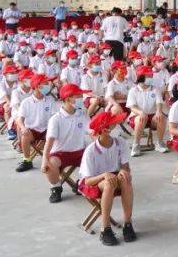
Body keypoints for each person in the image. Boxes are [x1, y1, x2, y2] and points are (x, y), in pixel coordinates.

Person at [78, 111, 136, 246]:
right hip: (94, 182)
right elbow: (88, 180)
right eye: (114, 124)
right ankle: (105, 228)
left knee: (126, 179)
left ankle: (128, 223)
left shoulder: (121, 143)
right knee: (109, 184)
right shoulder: (91, 150)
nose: (117, 126)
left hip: (113, 176)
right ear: (105, 130)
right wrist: (104, 175)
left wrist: (123, 170)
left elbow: (126, 166)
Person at [41, 83, 90, 203]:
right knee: (50, 165)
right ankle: (56, 187)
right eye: (78, 96)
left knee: (97, 158)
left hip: (80, 151)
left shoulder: (82, 115)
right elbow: (50, 141)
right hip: (60, 153)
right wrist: (44, 159)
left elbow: (92, 131)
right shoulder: (56, 119)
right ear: (68, 99)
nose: (81, 98)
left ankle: (81, 182)